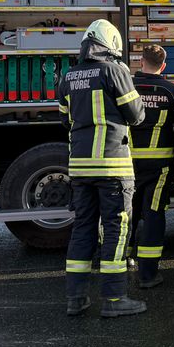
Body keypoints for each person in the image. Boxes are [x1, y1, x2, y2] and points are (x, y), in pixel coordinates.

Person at [57, 19, 147, 317]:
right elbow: (135, 115)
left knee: (82, 229)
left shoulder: (69, 76)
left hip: (80, 168)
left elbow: (64, 119)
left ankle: (76, 298)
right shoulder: (114, 70)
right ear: (111, 45)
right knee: (116, 229)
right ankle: (114, 298)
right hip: (112, 166)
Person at [128, 45, 174, 288]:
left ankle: (121, 262)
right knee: (153, 214)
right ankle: (148, 274)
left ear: (141, 62)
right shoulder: (172, 91)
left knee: (125, 213)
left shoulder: (126, 87)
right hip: (160, 166)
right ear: (163, 66)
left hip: (126, 164)